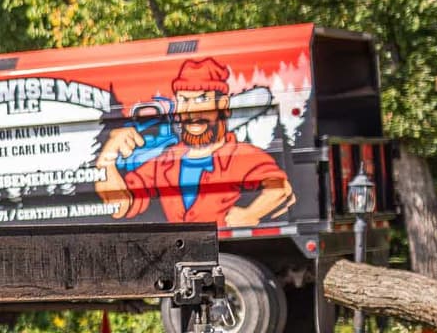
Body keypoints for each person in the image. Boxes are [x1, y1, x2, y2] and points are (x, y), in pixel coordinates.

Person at [94, 57, 295, 227]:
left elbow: (281, 188)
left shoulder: (240, 156)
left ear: (222, 104)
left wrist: (251, 214)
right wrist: (107, 158)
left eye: (201, 100)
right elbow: (120, 207)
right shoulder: (165, 163)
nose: (192, 111)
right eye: (184, 100)